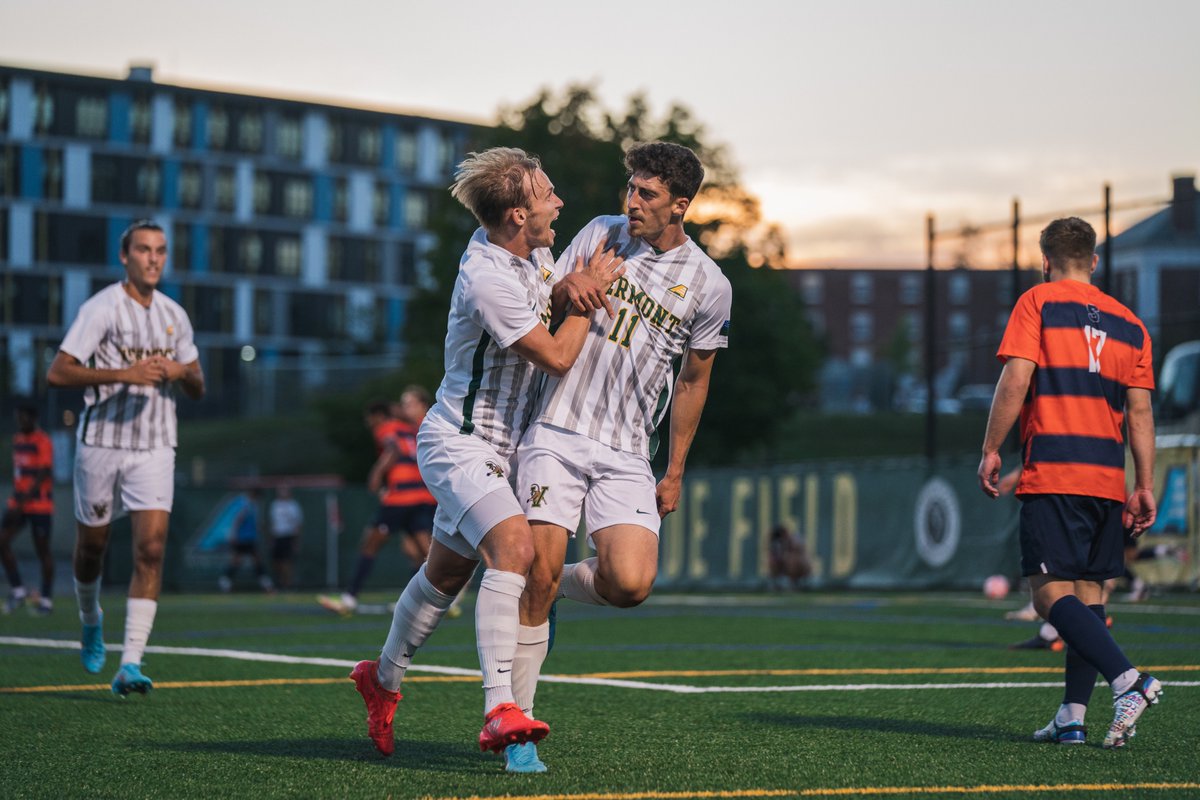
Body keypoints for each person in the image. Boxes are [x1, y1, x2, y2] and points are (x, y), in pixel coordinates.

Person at [347, 147, 624, 759]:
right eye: (549, 194)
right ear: (518, 214)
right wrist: (586, 295)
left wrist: (568, 284)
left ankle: (382, 676)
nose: (560, 202)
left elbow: (547, 300)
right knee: (516, 550)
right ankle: (500, 706)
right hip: (461, 442)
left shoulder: (534, 251)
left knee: (446, 573)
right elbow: (554, 356)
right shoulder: (486, 277)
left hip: (508, 449)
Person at [510, 141, 732, 772]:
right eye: (630, 188)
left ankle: (552, 592)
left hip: (629, 451)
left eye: (648, 194)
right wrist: (567, 285)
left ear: (680, 206)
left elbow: (693, 380)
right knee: (538, 571)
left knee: (630, 584)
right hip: (555, 429)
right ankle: (518, 732)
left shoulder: (711, 286)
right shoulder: (600, 234)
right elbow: (539, 306)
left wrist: (677, 468)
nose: (631, 202)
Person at [978, 217, 1160, 749]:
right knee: (1087, 595)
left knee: (1048, 595)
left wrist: (991, 448)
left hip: (1055, 468)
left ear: (1045, 260)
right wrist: (1143, 483)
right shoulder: (1132, 323)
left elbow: (1016, 376)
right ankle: (1072, 717)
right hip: (1106, 477)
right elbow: (1141, 412)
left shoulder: (1038, 302)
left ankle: (1130, 680)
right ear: (1095, 262)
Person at [46, 219, 205, 697]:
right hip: (102, 443)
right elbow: (58, 372)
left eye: (160, 250)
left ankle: (130, 662)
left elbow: (198, 386)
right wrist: (125, 374)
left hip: (156, 446)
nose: (153, 258)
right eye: (144, 249)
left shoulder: (174, 315)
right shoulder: (102, 308)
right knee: (92, 546)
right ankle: (90, 617)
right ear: (125, 256)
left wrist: (180, 370)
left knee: (150, 549)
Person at [319, 386, 438, 615]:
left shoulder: (387, 427)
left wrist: (376, 473)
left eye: (369, 417)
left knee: (370, 544)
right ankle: (434, 601)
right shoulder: (411, 429)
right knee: (422, 552)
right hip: (422, 495)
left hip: (400, 498)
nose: (368, 422)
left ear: (377, 416)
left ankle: (349, 598)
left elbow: (392, 450)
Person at [1, 402, 55, 615]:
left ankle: (46, 600)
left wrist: (23, 502)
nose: (19, 421)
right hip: (18, 504)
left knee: (43, 551)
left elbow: (43, 473)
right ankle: (18, 590)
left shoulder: (43, 441)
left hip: (39, 505)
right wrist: (17, 501)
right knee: (2, 541)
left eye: (23, 417)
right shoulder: (18, 440)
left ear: (32, 418)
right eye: (18, 417)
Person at [219, 488, 273, 593]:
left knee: (253, 561)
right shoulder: (245, 504)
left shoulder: (253, 505)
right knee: (239, 561)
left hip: (250, 538)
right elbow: (238, 520)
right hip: (243, 538)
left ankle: (266, 584)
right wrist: (233, 534)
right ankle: (225, 581)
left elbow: (256, 524)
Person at [269, 486, 304, 590]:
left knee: (287, 561)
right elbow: (273, 523)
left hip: (288, 535)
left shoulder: (293, 506)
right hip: (277, 536)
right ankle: (280, 582)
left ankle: (288, 584)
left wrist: (296, 540)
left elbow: (298, 524)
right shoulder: (274, 505)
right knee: (277, 562)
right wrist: (272, 538)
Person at [767, 525, 812, 591]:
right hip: (784, 571)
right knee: (773, 560)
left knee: (792, 558)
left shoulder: (794, 540)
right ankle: (777, 582)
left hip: (801, 571)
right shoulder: (777, 544)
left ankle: (797, 583)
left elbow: (800, 551)